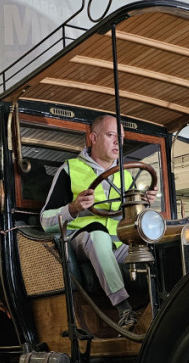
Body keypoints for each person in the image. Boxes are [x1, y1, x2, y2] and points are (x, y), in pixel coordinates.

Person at [40, 114, 156, 330]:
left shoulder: (126, 175)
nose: (117, 143)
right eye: (111, 135)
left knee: (159, 242)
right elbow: (45, 221)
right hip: (80, 241)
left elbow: (132, 219)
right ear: (93, 138)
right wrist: (72, 208)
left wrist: (144, 203)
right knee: (98, 234)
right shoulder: (70, 169)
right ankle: (124, 310)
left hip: (121, 243)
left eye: (119, 137)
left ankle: (160, 304)